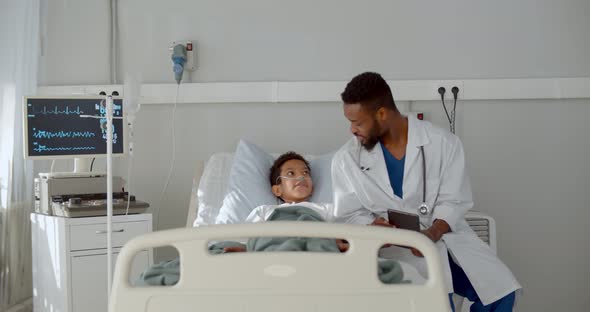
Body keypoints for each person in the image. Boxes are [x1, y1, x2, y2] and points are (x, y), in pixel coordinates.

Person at [331, 72, 521, 311]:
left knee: (500, 292)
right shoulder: (346, 159)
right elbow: (348, 214)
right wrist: (372, 229)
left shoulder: (444, 143)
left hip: (444, 238)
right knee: (438, 303)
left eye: (358, 122)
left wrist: (433, 232)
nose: (352, 130)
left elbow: (454, 200)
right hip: (392, 253)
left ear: (381, 114)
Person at [225, 151, 347, 252]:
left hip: (314, 245)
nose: (301, 177)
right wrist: (244, 249)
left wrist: (338, 242)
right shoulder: (264, 211)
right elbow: (249, 238)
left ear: (312, 188)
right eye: (291, 173)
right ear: (277, 189)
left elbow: (344, 232)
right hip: (274, 245)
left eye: (305, 173)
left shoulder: (326, 209)